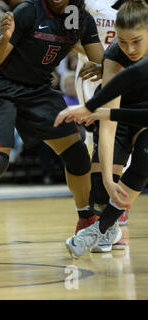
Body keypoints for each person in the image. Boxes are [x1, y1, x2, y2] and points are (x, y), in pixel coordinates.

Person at [0, 0, 105, 234]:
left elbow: (101, 59)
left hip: (37, 90)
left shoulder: (79, 18)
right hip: (1, 87)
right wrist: (4, 38)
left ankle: (87, 220)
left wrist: (102, 66)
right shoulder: (29, 11)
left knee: (77, 153)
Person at [55, 0, 148, 258]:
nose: (129, 48)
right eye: (122, 41)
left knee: (145, 157)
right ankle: (108, 225)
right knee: (98, 191)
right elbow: (108, 127)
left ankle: (100, 228)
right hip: (121, 111)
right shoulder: (115, 55)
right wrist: (108, 180)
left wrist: (101, 111)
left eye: (137, 41)